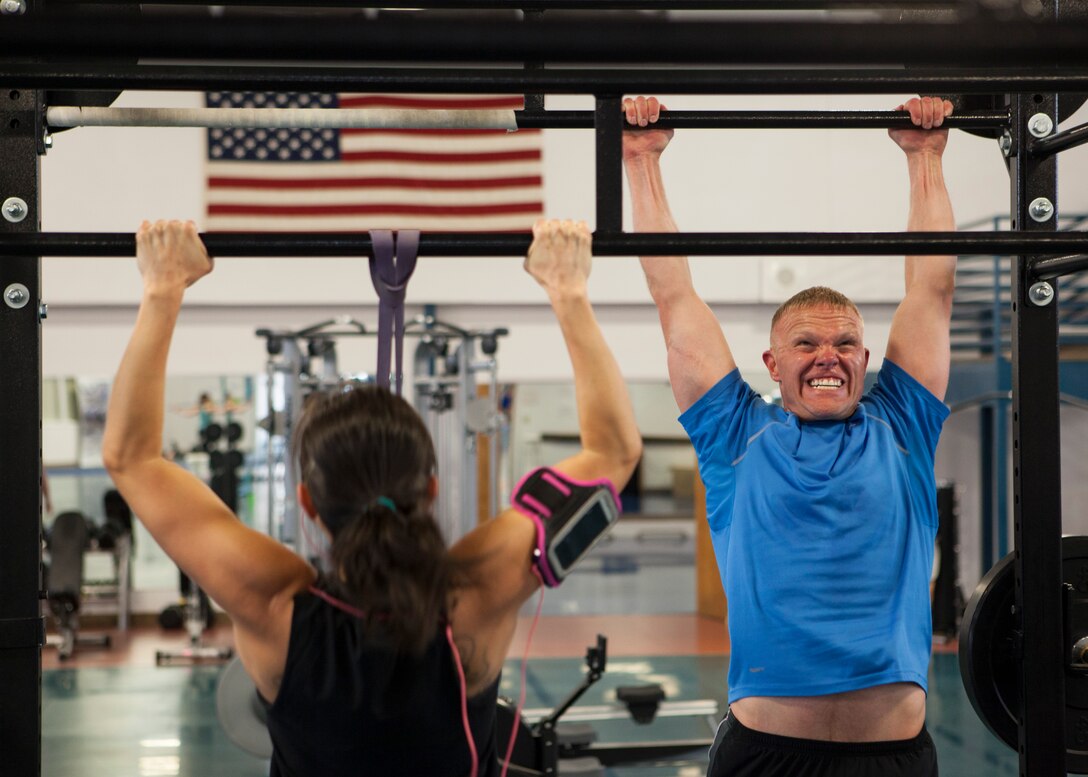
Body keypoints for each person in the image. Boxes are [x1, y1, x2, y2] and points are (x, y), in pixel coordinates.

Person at [101, 219, 641, 777]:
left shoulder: (271, 601)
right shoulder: (478, 590)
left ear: (308, 503)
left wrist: (163, 289)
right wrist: (568, 291)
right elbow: (614, 453)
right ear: (430, 489)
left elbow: (131, 458)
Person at [622, 95, 956, 776]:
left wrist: (925, 158)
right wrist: (641, 160)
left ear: (867, 360)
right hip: (764, 757)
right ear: (773, 365)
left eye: (845, 342)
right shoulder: (735, 434)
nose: (828, 354)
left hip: (890, 757)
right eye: (806, 342)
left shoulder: (904, 424)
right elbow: (674, 297)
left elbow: (931, 290)